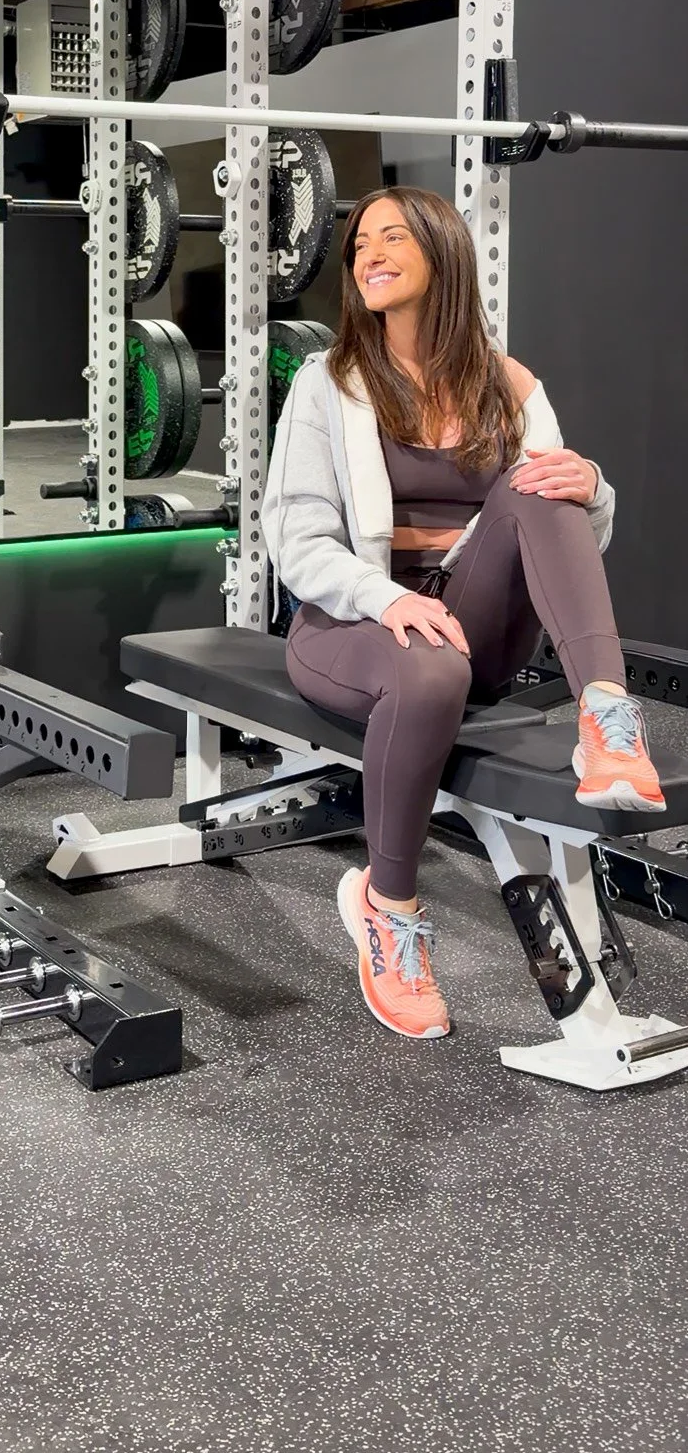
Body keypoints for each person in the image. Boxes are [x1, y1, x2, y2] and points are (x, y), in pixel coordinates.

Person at [261, 186, 664, 1044]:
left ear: (442, 254)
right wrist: (389, 598)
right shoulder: (327, 383)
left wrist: (596, 492)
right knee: (428, 666)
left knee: (547, 477)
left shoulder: (509, 385)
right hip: (352, 625)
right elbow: (295, 541)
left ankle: (608, 717)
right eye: (359, 243)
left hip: (473, 622)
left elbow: (565, 532)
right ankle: (388, 905)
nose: (367, 253)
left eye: (391, 237)